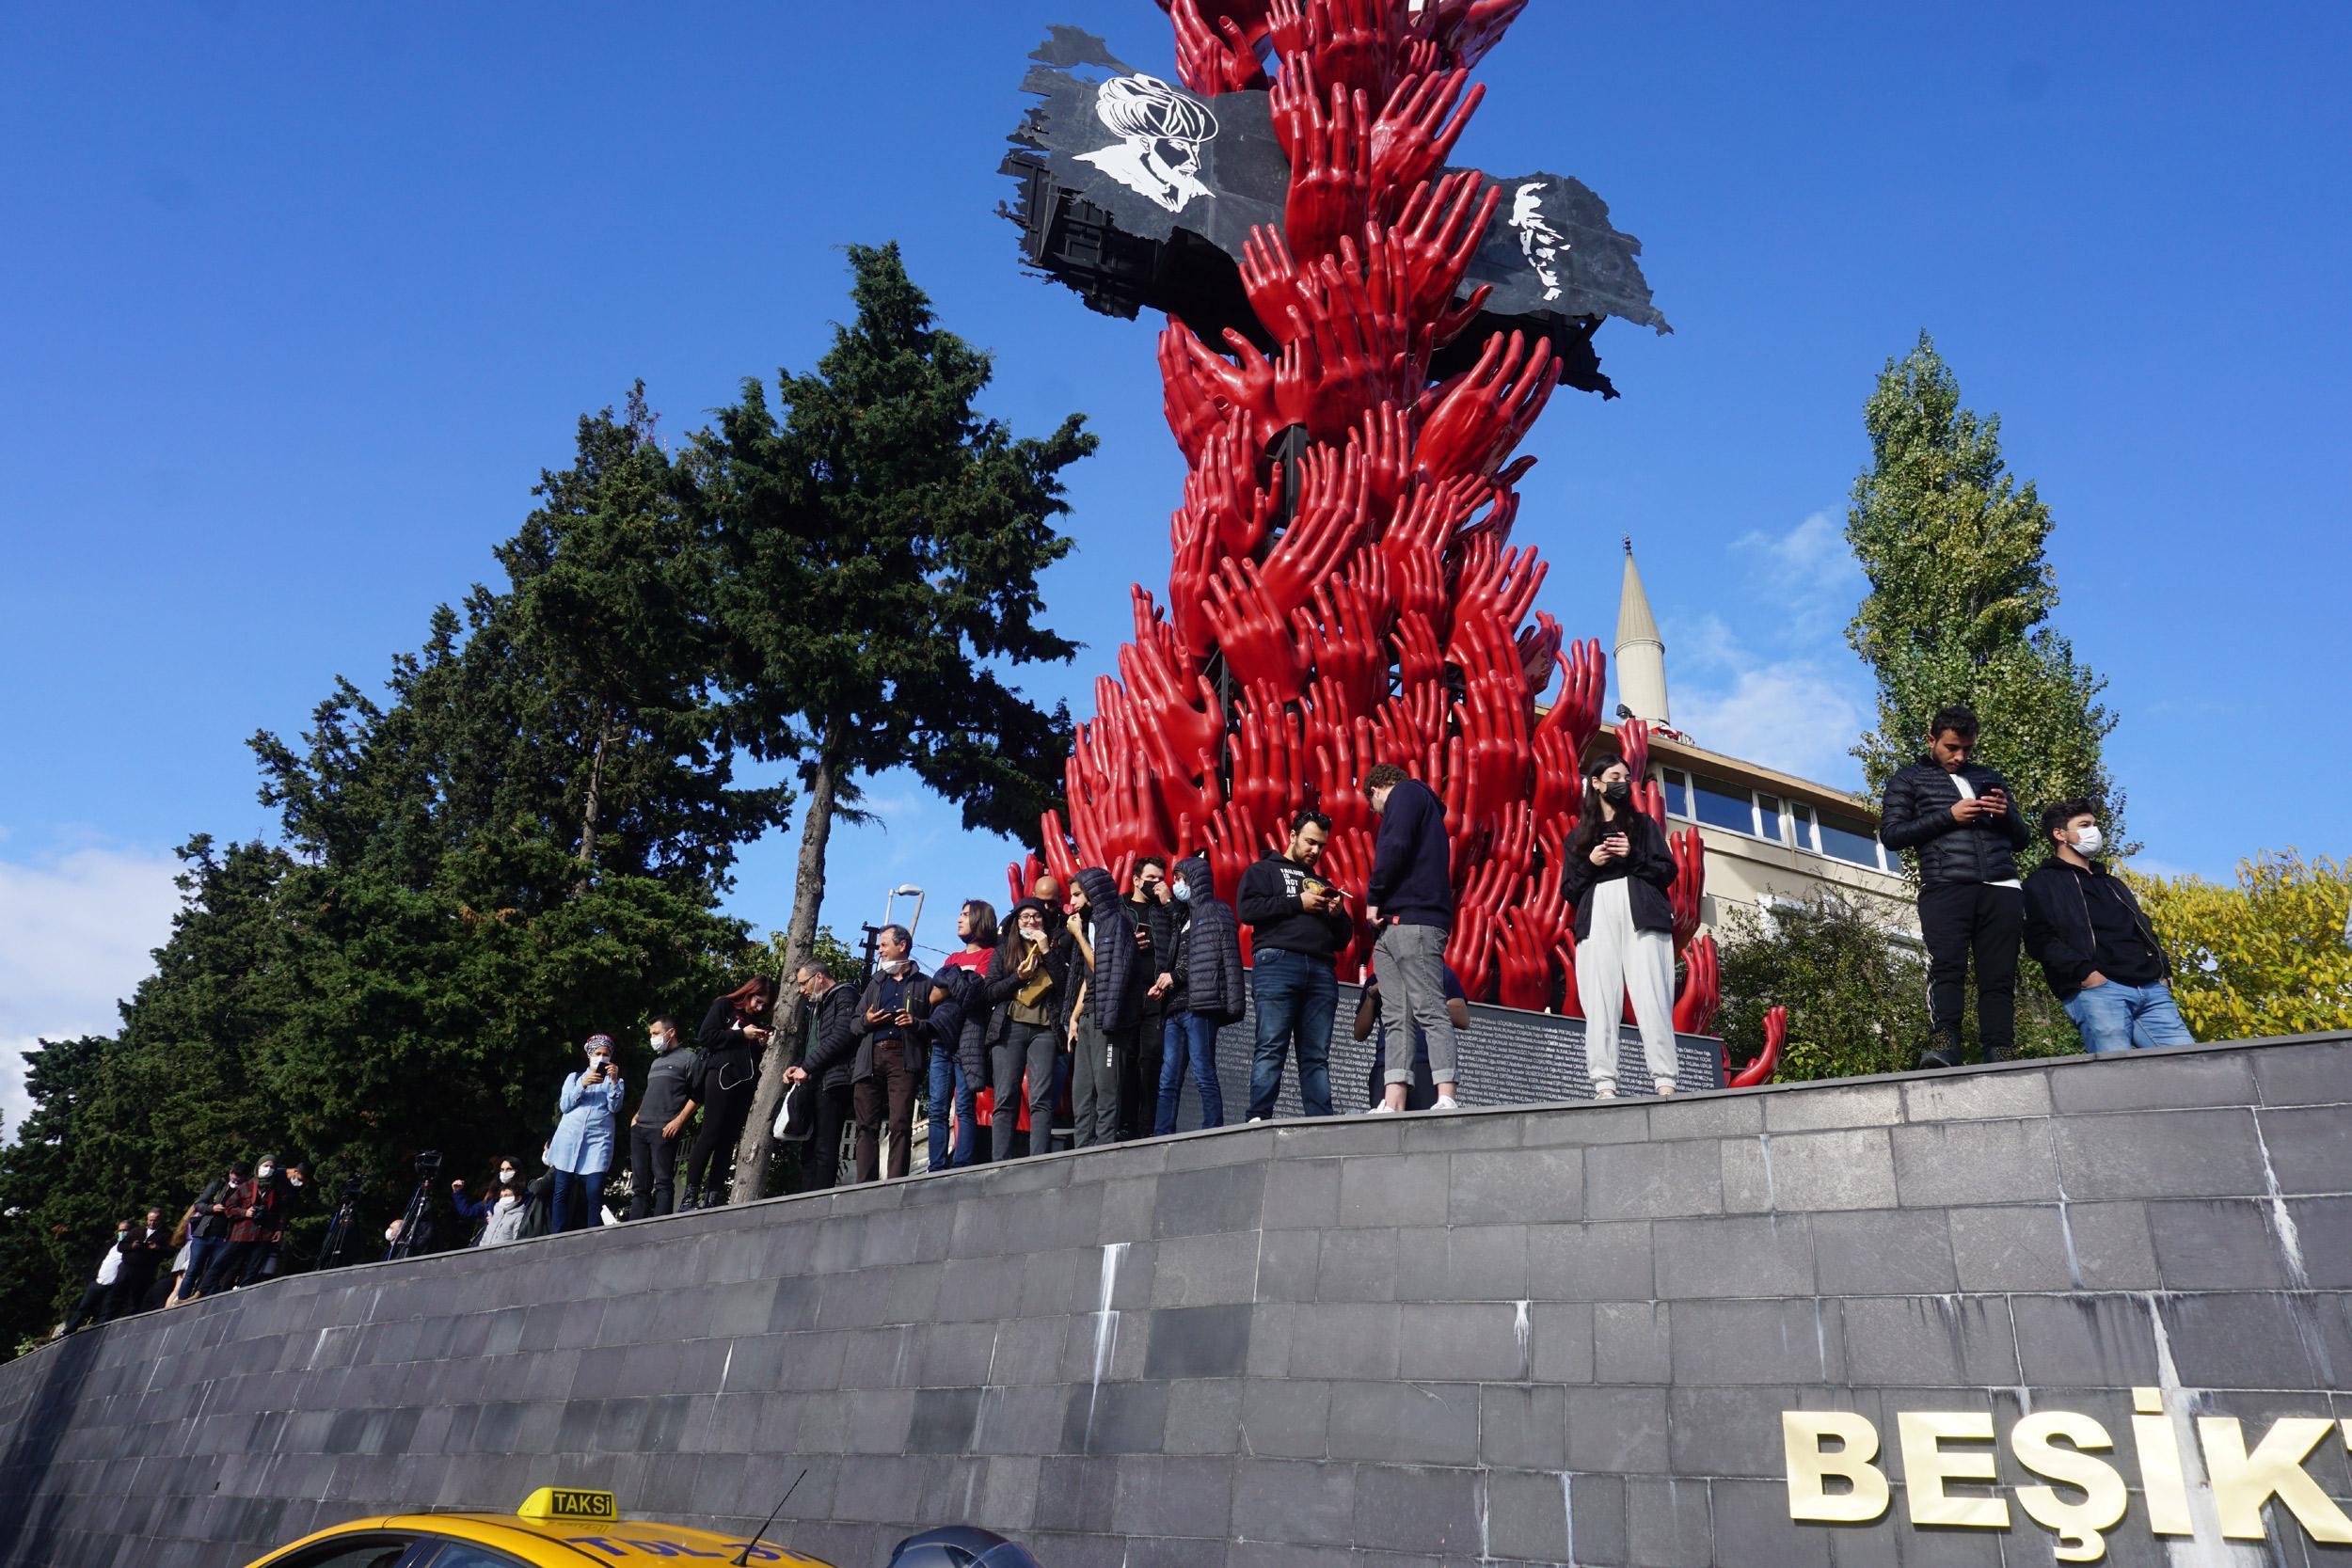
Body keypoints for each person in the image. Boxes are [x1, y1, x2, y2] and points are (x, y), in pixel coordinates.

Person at [1878, 705, 2032, 1068]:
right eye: (1951, 748)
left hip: (2002, 885)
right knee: (1947, 968)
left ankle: (2000, 1048)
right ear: (1932, 740)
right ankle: (1945, 1044)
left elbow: (2022, 839)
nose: (1959, 756)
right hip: (1946, 884)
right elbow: (1892, 834)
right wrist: (1949, 816)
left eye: (1967, 749)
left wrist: (2006, 813)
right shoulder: (1909, 778)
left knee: (1999, 974)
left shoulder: (1989, 776)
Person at [2025, 800, 2196, 1054]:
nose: (2094, 831)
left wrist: (2162, 973)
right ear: (2059, 834)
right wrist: (2086, 973)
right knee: (2115, 1074)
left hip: (2152, 989)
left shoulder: (2113, 883)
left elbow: (2143, 928)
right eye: (2084, 825)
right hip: (2100, 990)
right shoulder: (2042, 882)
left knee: (2194, 1064)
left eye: (2094, 825)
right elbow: (2039, 939)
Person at [1559, 752, 1682, 1098]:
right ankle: (1604, 1083)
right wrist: (1592, 863)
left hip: (1642, 909)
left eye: (1626, 778)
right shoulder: (1579, 837)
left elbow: (1667, 872)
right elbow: (1569, 890)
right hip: (1596, 912)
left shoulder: (1643, 826)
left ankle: (1665, 1080)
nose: (1622, 783)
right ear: (1596, 783)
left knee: (1653, 993)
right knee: (1599, 997)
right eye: (1614, 776)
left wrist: (1632, 854)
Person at [1240, 810, 1353, 1120]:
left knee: (1316, 1055)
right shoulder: (1263, 870)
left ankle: (1320, 1122)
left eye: (1321, 846)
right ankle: (1258, 1117)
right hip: (1277, 962)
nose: (1315, 850)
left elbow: (1343, 939)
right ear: (1292, 836)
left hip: (1320, 970)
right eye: (1309, 842)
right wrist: (1297, 903)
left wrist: (1337, 913)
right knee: (1271, 1046)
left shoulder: (1324, 882)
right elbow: (1247, 909)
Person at [1363, 763, 1460, 1111]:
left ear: (1375, 790)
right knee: (1396, 1017)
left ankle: (1446, 1096)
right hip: (1393, 923)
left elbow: (1395, 844)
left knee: (1429, 1008)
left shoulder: (1406, 793)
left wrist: (1373, 895)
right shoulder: (1423, 806)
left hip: (1414, 919)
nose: (1377, 816)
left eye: (1373, 808)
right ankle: (1393, 1101)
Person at [1152, 852, 1246, 1135]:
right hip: (1175, 1008)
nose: (1177, 885)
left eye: (1180, 880)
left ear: (1196, 880)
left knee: (1204, 1072)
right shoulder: (1185, 918)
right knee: (1168, 1078)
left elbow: (1212, 959)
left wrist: (1174, 977)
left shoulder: (1216, 911)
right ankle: (1161, 1133)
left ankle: (1212, 1130)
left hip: (1200, 1007)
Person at [982, 897, 1077, 1160]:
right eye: (1025, 917)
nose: (1031, 921)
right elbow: (989, 991)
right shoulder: (1004, 951)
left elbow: (1065, 986)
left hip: (1045, 1029)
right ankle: (999, 1161)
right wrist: (1018, 978)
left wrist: (1047, 951)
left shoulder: (1054, 948)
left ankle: (1038, 1159)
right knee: (1005, 1097)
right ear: (1016, 921)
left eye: (1036, 917)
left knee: (1042, 1098)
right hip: (1009, 1028)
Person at [1068, 867, 1152, 1148]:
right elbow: (1087, 978)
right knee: (1082, 1093)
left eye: (1078, 894)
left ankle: (1102, 1152)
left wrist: (1079, 936)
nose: (1074, 901)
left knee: (1106, 1092)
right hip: (1089, 1016)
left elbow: (1103, 971)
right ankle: (1081, 1152)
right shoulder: (1093, 924)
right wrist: (1074, 1017)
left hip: (1108, 1019)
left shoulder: (1116, 923)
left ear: (1093, 893)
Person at [684, 975, 775, 1209]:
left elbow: (754, 1055)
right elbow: (706, 1036)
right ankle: (690, 1195)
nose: (759, 1007)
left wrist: (761, 1042)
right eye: (757, 1001)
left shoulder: (757, 1020)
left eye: (764, 1005)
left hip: (745, 1081)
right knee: (710, 1133)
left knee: (728, 1140)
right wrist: (740, 1034)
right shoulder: (724, 1006)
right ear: (748, 993)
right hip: (721, 1075)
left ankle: (713, 1197)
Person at [851, 926, 930, 1181]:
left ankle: (895, 1182)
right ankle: (864, 1184)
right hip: (870, 1057)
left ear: (902, 946)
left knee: (900, 1123)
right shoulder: (876, 983)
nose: (880, 951)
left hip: (903, 1059)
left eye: (884, 945)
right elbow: (853, 1024)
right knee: (866, 1124)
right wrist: (867, 1020)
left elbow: (934, 1025)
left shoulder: (924, 985)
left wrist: (915, 1022)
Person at [930, 901, 998, 1170]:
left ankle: (962, 1163)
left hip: (969, 1039)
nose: (959, 919)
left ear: (981, 920)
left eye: (966, 915)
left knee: (965, 1105)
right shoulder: (952, 958)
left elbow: (976, 995)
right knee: (936, 1106)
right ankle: (935, 1167)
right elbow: (934, 995)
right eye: (960, 913)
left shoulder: (991, 956)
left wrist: (951, 982)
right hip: (941, 1039)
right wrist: (963, 980)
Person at [787, 959, 862, 1190]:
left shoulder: (845, 995)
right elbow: (813, 1043)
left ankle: (818, 1202)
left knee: (825, 1147)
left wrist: (806, 1067)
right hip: (813, 1080)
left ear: (818, 977)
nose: (802, 990)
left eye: (803, 984)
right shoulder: (818, 1005)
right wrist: (797, 1065)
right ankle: (805, 1198)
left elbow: (841, 1036)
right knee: (807, 1147)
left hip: (833, 1082)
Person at [1356, 965, 1472, 1110]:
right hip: (1386, 1065)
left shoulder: (1440, 971)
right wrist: (1371, 996)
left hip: (1427, 1065)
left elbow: (1462, 1018)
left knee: (1426, 1128)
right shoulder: (1378, 976)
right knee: (1385, 1127)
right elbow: (1359, 1033)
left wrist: (1419, 994)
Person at [1122, 859, 1182, 1139]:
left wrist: (1168, 902)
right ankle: (1125, 1127)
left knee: (1152, 1062)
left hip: (1157, 996)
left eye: (1160, 877)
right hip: (1126, 995)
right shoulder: (1120, 908)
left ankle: (1147, 1130)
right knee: (1125, 1060)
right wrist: (1128, 944)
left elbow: (1182, 931)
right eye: (1149, 877)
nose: (1155, 882)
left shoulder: (1165, 910)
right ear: (1135, 880)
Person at [548, 1036, 624, 1232]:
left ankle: (593, 1233)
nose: (601, 1058)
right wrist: (582, 1085)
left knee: (594, 1190)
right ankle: (557, 1234)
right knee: (561, 1192)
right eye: (597, 1054)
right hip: (569, 1141)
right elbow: (565, 1106)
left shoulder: (615, 1081)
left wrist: (614, 1081)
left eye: (605, 1055)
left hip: (597, 1142)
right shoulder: (573, 1078)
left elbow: (615, 1107)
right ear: (589, 1055)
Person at [629, 1015, 696, 1218]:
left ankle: (660, 1230)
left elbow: (698, 1094)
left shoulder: (689, 1058)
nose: (652, 1038)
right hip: (641, 1129)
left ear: (671, 1032)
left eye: (655, 1033)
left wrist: (679, 1121)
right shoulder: (656, 1062)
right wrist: (637, 1116)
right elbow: (652, 1091)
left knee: (663, 1183)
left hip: (664, 1129)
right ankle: (631, 1231)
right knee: (639, 1187)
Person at [196, 1156, 283, 1296]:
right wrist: (245, 1212)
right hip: (242, 1232)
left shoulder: (276, 1191)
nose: (269, 1169)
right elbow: (229, 1208)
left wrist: (279, 1229)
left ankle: (243, 1294)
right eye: (266, 1166)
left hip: (263, 1234)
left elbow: (280, 1212)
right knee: (223, 1262)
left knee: (253, 1268)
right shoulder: (246, 1187)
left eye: (272, 1167)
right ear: (258, 1167)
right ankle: (200, 1291)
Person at [180, 1163, 241, 1303]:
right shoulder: (218, 1185)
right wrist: (212, 1208)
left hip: (223, 1238)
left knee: (213, 1272)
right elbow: (199, 1204)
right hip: (204, 1234)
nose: (235, 1179)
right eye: (234, 1175)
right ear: (230, 1172)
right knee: (193, 1270)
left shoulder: (245, 1190)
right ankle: (182, 1299)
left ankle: (204, 1301)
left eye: (239, 1177)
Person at [62, 1221, 132, 1333]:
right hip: (98, 1282)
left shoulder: (132, 1248)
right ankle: (67, 1331)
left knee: (105, 1314)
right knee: (83, 1308)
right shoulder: (111, 1244)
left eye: (125, 1230)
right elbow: (100, 1260)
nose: (122, 1233)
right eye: (120, 1230)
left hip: (113, 1286)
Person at [106, 1208, 167, 1317]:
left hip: (144, 1270)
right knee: (118, 1292)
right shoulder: (137, 1231)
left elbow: (169, 1251)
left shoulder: (164, 1234)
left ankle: (128, 1316)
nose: (151, 1223)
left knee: (135, 1296)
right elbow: (121, 1246)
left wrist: (157, 1248)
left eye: (155, 1220)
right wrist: (132, 1246)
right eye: (150, 1220)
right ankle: (109, 1315)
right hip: (127, 1267)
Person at [452, 1155, 526, 1239]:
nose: (505, 1172)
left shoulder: (526, 1196)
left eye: (509, 1169)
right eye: (502, 1170)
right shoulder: (493, 1198)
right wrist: (457, 1192)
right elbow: (468, 1212)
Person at [473, 1168, 532, 1246]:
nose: (503, 1199)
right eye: (501, 1196)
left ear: (518, 1198)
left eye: (507, 1195)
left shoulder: (519, 1216)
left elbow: (517, 1242)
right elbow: (485, 1238)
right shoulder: (495, 1214)